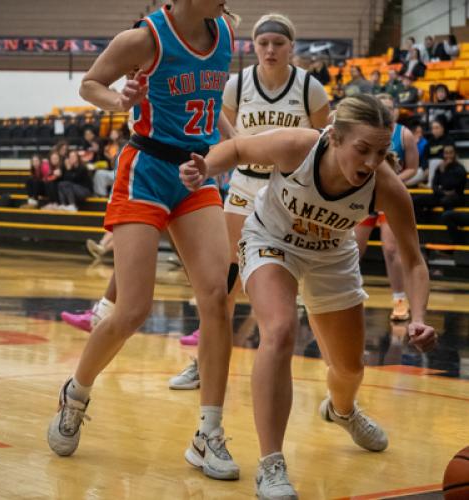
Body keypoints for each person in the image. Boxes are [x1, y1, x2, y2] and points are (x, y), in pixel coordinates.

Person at [179, 94, 437, 500]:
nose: (372, 162)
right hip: (270, 241)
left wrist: (419, 316)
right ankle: (272, 464)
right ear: (334, 137)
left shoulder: (385, 184)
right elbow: (241, 147)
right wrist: (206, 166)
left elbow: (414, 261)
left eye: (382, 152)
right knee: (279, 331)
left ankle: (343, 411)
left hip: (332, 257)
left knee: (350, 369)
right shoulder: (300, 146)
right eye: (363, 149)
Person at [47, 0, 241, 481]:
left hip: (196, 172)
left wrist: (237, 145)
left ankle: (208, 433)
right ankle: (76, 391)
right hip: (146, 170)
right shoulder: (145, 37)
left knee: (217, 298)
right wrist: (120, 101)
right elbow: (89, 83)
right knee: (133, 308)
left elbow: (211, 107)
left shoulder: (227, 37)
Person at [171, 12, 329, 380]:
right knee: (223, 281)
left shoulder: (311, 89)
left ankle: (326, 371)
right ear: (253, 46)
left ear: (291, 47)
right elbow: (222, 135)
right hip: (243, 186)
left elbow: (324, 147)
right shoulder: (236, 86)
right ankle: (203, 364)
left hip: (290, 192)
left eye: (278, 43)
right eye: (263, 43)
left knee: (301, 285)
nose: (270, 50)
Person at [354, 94, 418, 321]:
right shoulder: (364, 132)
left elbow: (413, 168)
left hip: (389, 197)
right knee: (353, 249)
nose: (386, 111)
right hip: (365, 195)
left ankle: (400, 299)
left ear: (396, 111)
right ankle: (350, 296)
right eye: (382, 108)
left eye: (389, 108)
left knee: (391, 249)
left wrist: (394, 180)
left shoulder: (404, 134)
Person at [413, 144, 466, 222]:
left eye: (450, 153)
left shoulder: (460, 169)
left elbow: (451, 185)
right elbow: (434, 186)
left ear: (455, 154)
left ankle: (448, 222)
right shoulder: (440, 167)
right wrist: (443, 192)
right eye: (446, 153)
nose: (448, 155)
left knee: (446, 201)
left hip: (456, 197)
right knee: (415, 200)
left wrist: (444, 172)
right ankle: (424, 221)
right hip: (441, 195)